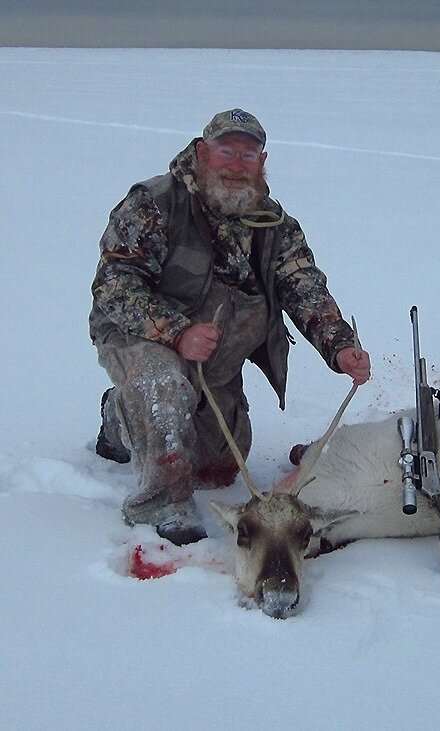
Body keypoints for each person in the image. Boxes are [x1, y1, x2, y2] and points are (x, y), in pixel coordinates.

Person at [90, 109, 371, 545]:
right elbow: (114, 284)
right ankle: (162, 503)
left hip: (215, 355)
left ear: (262, 161)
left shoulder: (276, 225)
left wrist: (340, 345)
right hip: (139, 334)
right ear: (203, 152)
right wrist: (176, 332)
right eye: (226, 151)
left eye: (248, 154)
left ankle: (121, 417)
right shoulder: (152, 203)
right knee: (162, 388)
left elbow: (303, 285)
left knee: (218, 468)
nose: (237, 164)